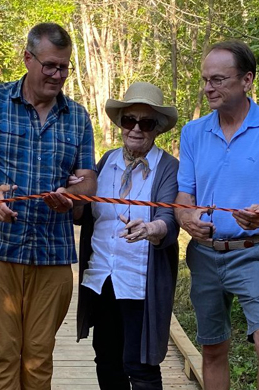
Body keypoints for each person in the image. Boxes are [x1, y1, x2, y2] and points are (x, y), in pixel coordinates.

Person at [0, 22, 97, 390]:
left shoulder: (77, 117)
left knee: (38, 357)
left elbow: (88, 179)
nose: (57, 75)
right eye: (50, 65)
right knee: (4, 355)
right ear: (28, 59)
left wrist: (73, 198)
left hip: (52, 252)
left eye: (64, 67)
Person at [175, 40, 259, 390]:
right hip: (204, 256)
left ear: (247, 80)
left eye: (218, 79)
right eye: (205, 80)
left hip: (254, 252)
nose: (208, 88)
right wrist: (186, 217)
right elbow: (183, 194)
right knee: (213, 348)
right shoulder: (193, 132)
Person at [74, 82, 180, 390]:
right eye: (128, 120)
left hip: (140, 281)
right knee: (106, 359)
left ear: (157, 128)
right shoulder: (106, 162)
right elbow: (84, 212)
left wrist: (150, 229)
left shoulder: (168, 168)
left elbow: (169, 219)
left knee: (140, 365)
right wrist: (73, 194)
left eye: (145, 123)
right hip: (102, 278)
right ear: (121, 123)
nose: (135, 129)